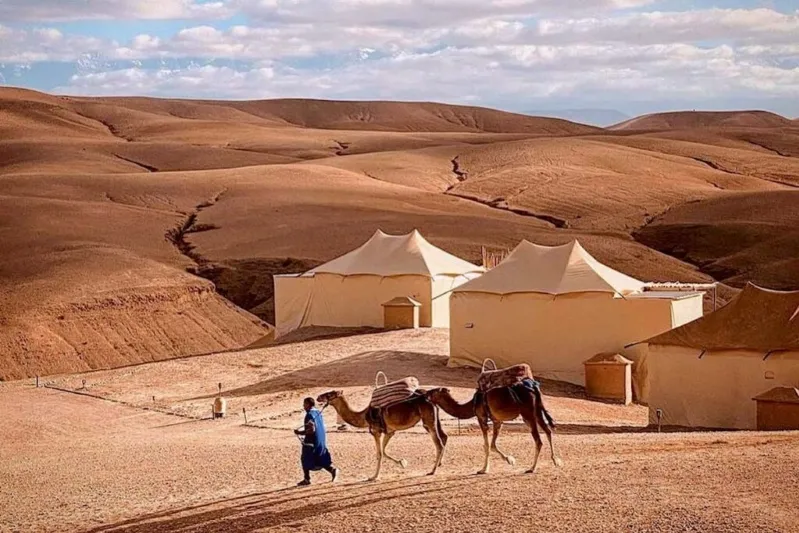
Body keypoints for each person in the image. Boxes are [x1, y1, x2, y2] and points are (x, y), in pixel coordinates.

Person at [294, 397, 338, 486]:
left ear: (308, 404)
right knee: (320, 458)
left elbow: (311, 430)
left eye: (304, 404)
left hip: (311, 442)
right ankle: (332, 470)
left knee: (305, 459)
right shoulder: (317, 412)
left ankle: (307, 479)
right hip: (320, 440)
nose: (303, 406)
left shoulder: (309, 414)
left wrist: (299, 432)